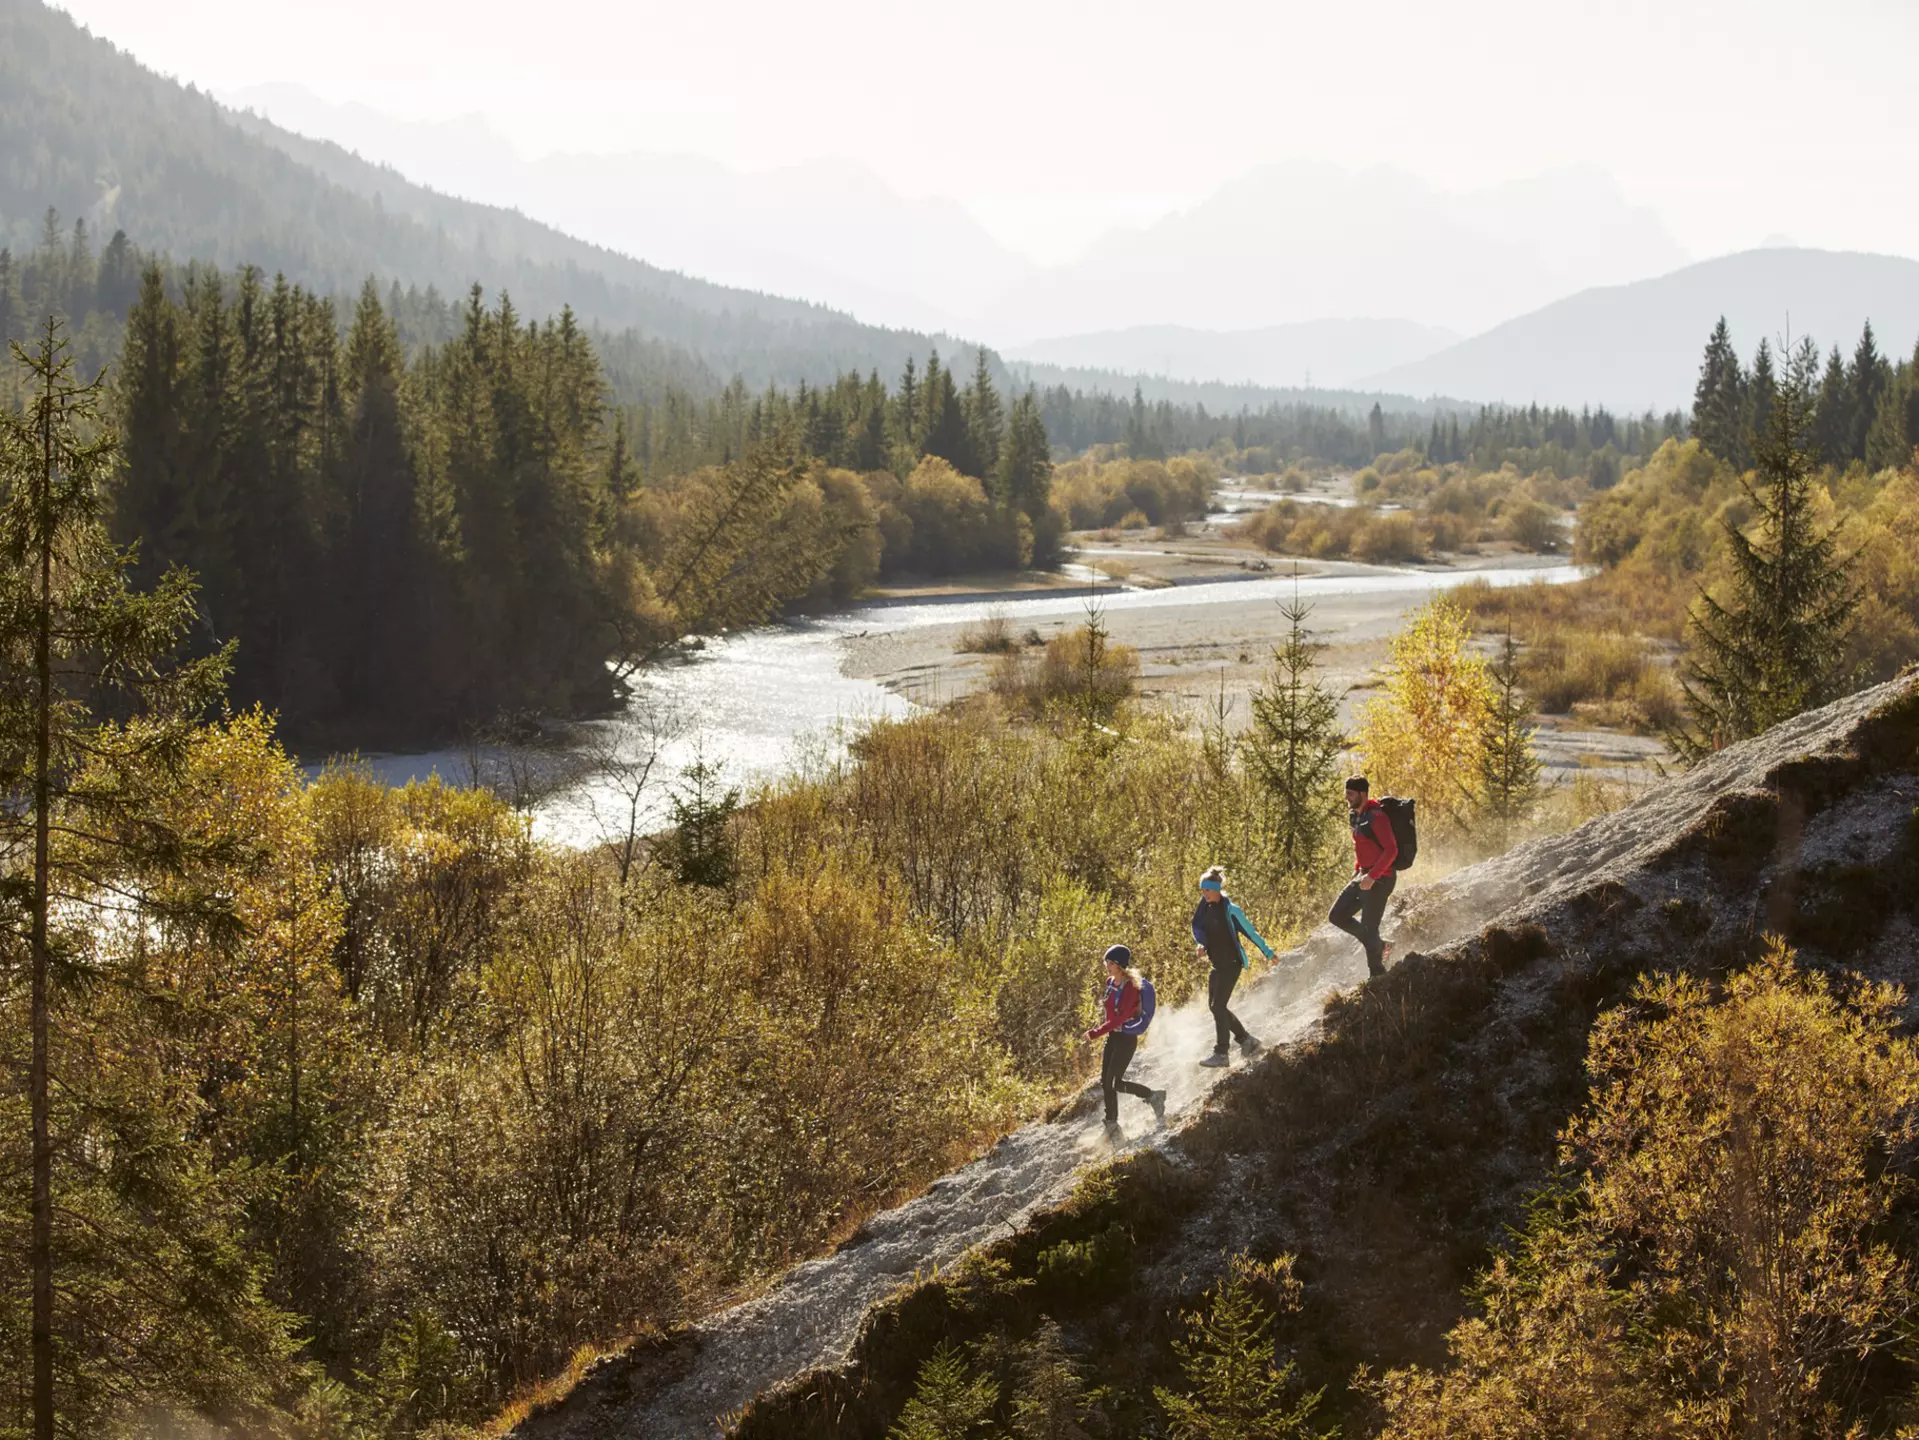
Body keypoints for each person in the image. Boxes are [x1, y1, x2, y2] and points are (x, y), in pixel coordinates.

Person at [1190, 865, 1275, 1068]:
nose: (1204, 894)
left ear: (1217, 889)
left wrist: (1269, 952)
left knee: (1218, 1006)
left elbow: (1251, 933)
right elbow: (1202, 932)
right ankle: (1247, 1040)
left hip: (1231, 965)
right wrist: (1201, 945)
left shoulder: (1231, 910)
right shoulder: (1205, 910)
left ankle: (1221, 1053)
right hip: (1217, 965)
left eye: (1207, 890)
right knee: (1214, 1007)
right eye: (1202, 890)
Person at [1084, 944, 1167, 1133]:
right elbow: (1111, 1016)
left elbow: (1119, 1019)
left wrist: (1096, 1032)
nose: (1107, 965)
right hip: (1113, 1037)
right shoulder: (1110, 983)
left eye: (1110, 962)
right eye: (1106, 961)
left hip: (1126, 1038)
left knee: (1115, 1083)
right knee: (1107, 1082)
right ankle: (1111, 1124)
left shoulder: (1131, 988)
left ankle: (1153, 1096)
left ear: (1120, 965)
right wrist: (1104, 1031)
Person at [1330, 775, 1397, 976]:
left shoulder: (1377, 817)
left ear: (1362, 793)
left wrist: (1373, 876)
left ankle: (1377, 976)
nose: (1347, 798)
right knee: (1337, 916)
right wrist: (1358, 869)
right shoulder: (1355, 816)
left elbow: (1391, 850)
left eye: (1350, 794)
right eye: (1346, 794)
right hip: (1363, 875)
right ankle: (1381, 944)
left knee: (1369, 929)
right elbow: (1363, 846)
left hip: (1381, 878)